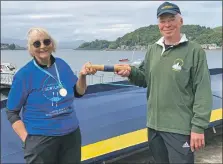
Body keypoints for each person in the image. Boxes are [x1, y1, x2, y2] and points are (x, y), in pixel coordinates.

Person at [115, 1, 212, 163]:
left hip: (180, 128)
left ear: (180, 21)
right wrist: (131, 72)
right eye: (162, 21)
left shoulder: (194, 51)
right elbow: (144, 79)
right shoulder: (153, 49)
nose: (167, 24)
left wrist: (198, 127)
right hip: (154, 127)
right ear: (158, 24)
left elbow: (202, 90)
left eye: (171, 19)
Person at [6, 27, 97, 164]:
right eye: (37, 44)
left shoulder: (62, 65)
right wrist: (28, 140)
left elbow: (79, 92)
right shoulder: (24, 75)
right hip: (41, 140)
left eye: (46, 42)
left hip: (71, 135)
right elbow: (12, 112)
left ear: (52, 44)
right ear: (31, 49)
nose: (42, 46)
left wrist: (82, 76)